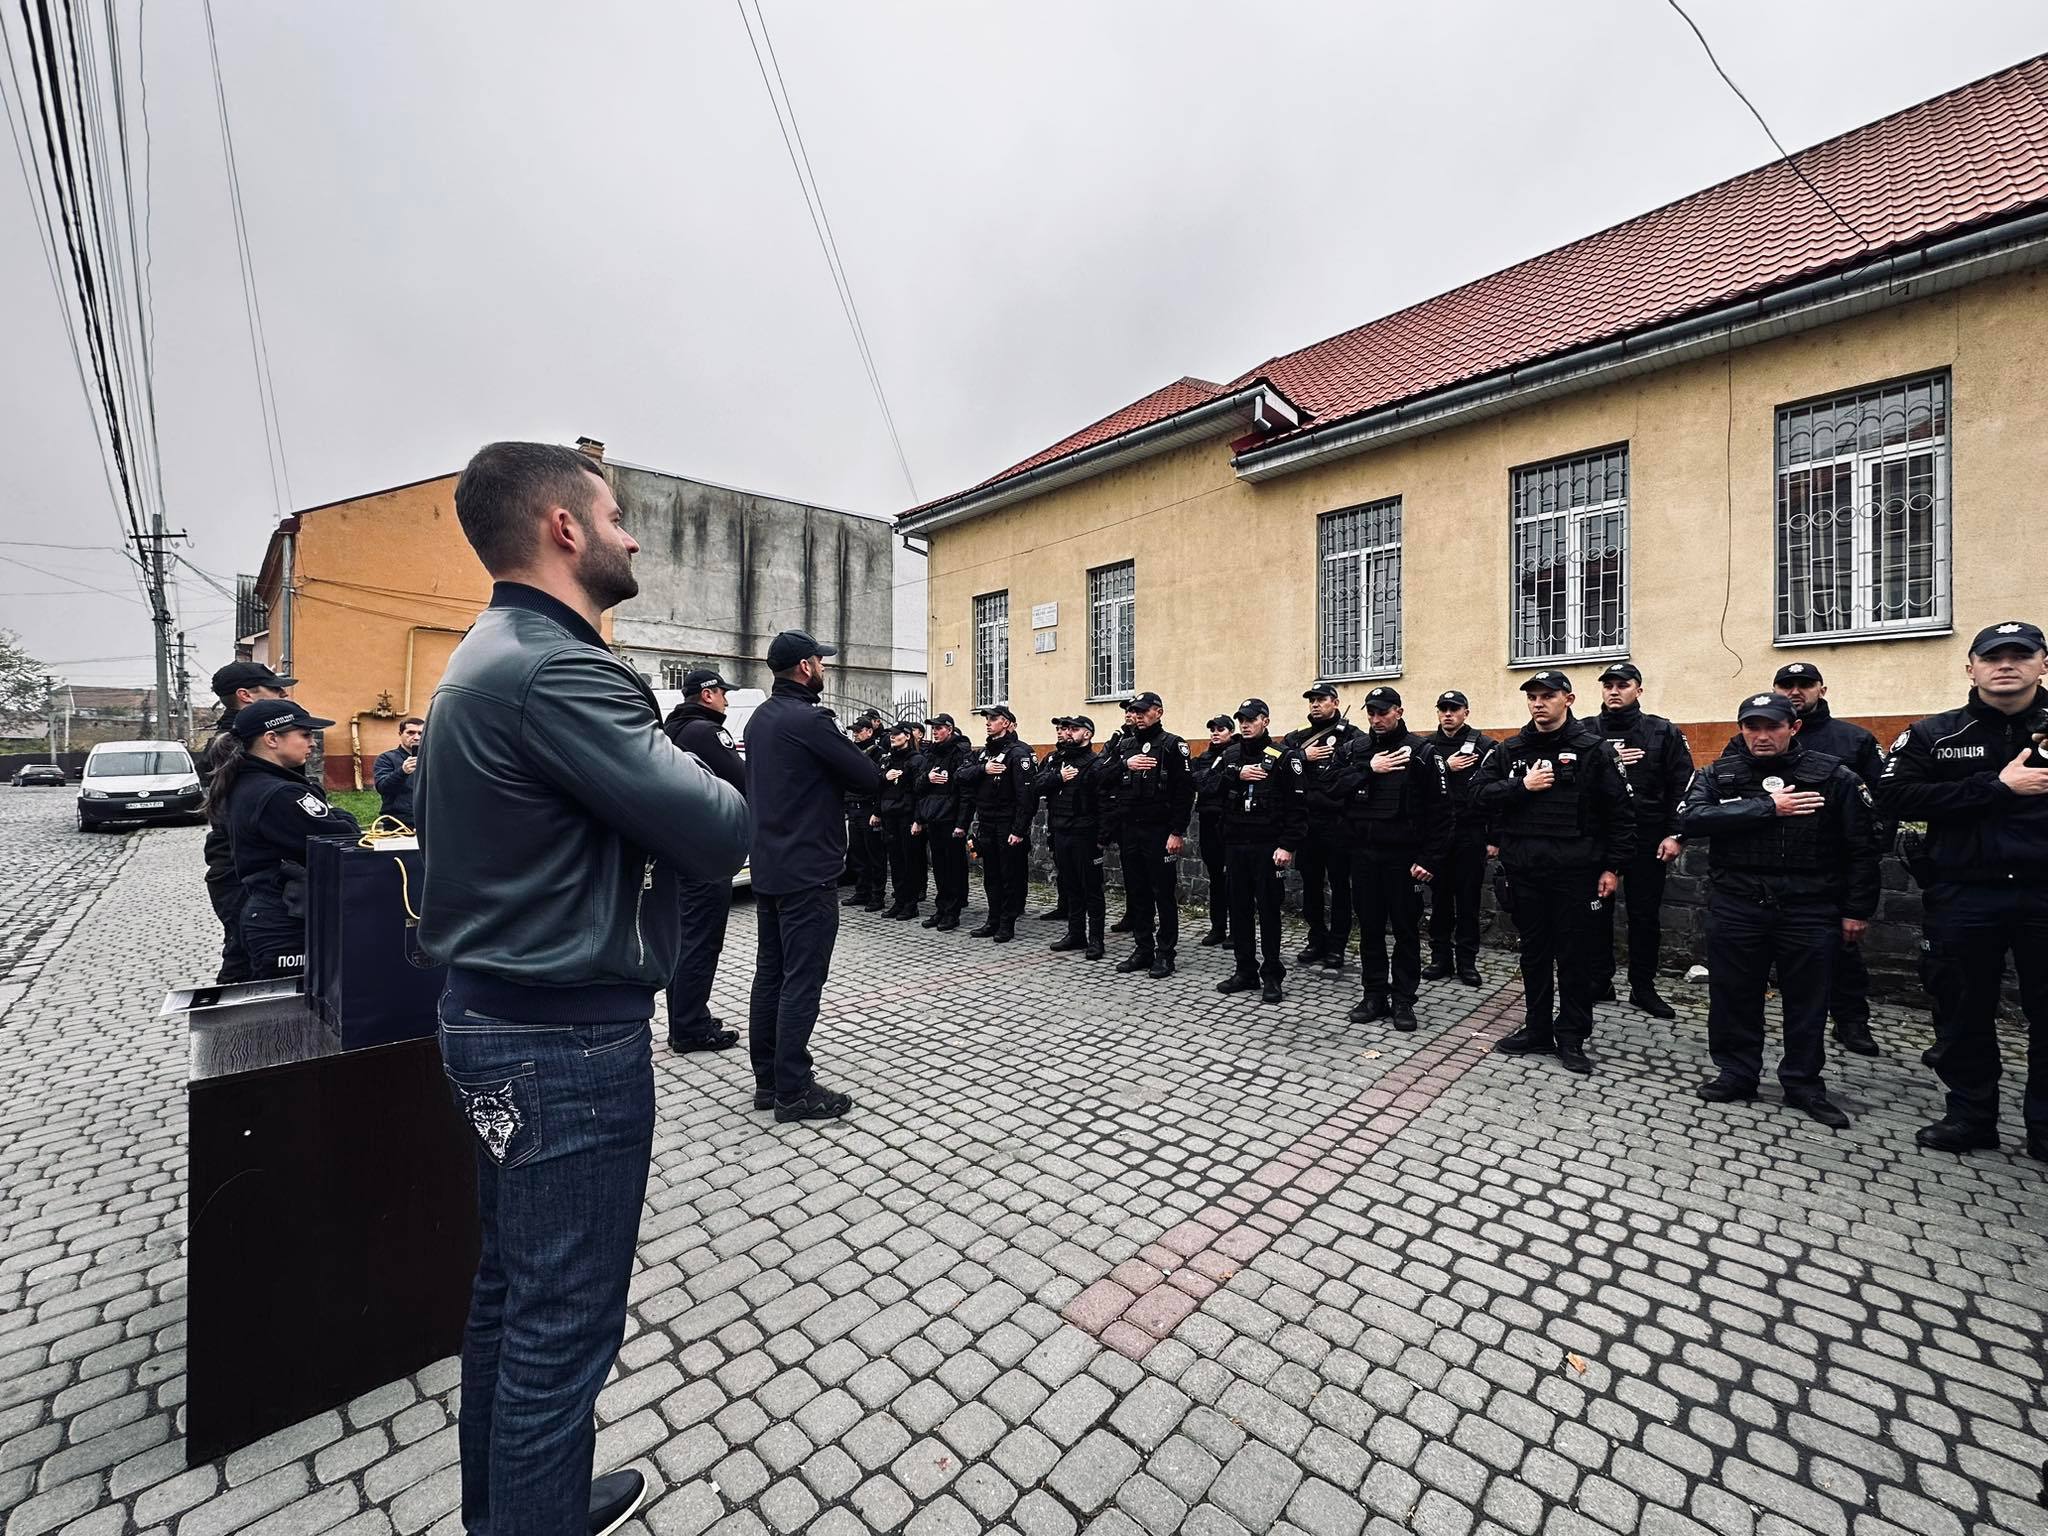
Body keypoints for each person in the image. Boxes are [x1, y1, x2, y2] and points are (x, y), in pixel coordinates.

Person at [413, 440, 750, 1536]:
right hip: (563, 1047)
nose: (631, 533)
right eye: (614, 515)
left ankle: (521, 1503)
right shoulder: (559, 667)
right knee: (563, 1326)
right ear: (563, 527)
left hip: (497, 1021)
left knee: (512, 1297)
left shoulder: (487, 650)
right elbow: (714, 829)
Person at [1876, 620, 2048, 1161]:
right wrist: (1996, 787)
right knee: (1960, 1009)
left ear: (2043, 664)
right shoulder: (1936, 734)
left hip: (2044, 893)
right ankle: (1971, 1117)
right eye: (1993, 656)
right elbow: (1894, 796)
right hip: (1965, 893)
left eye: (2021, 655)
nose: (2006, 665)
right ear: (1969, 667)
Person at [1679, 693, 1877, 1128]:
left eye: (1772, 726)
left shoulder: (1833, 777)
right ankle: (1737, 1072)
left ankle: (1803, 1083)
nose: (1762, 736)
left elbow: (1862, 848)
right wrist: (1768, 808)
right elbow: (1690, 820)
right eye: (1752, 727)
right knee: (1733, 996)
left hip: (1808, 907)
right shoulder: (1719, 775)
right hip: (1738, 903)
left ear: (1794, 728)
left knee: (1807, 1002)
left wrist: (1856, 910)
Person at [744, 629, 883, 1121]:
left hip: (770, 865)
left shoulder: (761, 717)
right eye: (820, 661)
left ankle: (768, 1081)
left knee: (771, 975)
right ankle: (794, 1089)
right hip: (807, 869)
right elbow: (866, 776)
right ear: (805, 667)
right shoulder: (809, 719)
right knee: (802, 979)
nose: (825, 668)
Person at [1474, 671, 1635, 1075]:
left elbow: (1620, 814)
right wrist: (1521, 787)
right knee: (1534, 955)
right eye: (1532, 697)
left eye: (1548, 696)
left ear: (1569, 699)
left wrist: (1612, 868)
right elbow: (1477, 796)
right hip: (1526, 872)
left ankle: (1572, 1037)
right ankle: (1538, 1029)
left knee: (1575, 957)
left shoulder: (1594, 750)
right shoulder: (1510, 750)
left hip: (1576, 874)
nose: (1538, 703)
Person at [1767, 661, 1886, 1057]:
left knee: (1844, 952)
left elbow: (1883, 803)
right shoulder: (1759, 738)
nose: (1795, 692)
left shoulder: (1853, 740)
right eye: (1787, 685)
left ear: (1822, 689)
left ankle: (1852, 1022)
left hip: (1833, 866)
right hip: (1774, 869)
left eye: (1804, 685)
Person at [207, 698, 362, 978]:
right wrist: (339, 814)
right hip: (285, 917)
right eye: (304, 734)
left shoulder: (249, 781)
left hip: (273, 911)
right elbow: (347, 837)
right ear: (271, 739)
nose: (312, 743)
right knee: (294, 1013)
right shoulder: (279, 793)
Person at [1333, 687, 1453, 1030]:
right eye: (1370, 713)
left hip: (1405, 859)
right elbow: (1329, 789)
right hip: (1365, 855)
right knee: (1369, 929)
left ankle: (1403, 1000)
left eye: (1382, 712)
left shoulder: (1422, 752)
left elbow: (1442, 813)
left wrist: (1430, 859)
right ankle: (1373, 995)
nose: (1375, 719)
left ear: (1398, 711)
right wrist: (1368, 769)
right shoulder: (1355, 750)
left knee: (1405, 931)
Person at [1593, 663, 1693, 1018]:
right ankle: (1599, 980)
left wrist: (1676, 833)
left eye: (1623, 685)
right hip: (1598, 838)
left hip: (1647, 837)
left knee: (1644, 916)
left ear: (1639, 689)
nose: (1614, 691)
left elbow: (1683, 784)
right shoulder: (1585, 731)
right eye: (1608, 685)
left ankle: (1643, 987)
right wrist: (1609, 758)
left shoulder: (1661, 731)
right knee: (1595, 913)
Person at [661, 668, 749, 1053]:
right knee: (702, 940)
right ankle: (690, 1028)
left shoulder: (673, 729)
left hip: (679, 845)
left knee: (686, 939)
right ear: (708, 694)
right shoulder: (706, 732)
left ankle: (687, 1015)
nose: (727, 700)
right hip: (705, 848)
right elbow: (741, 778)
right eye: (724, 693)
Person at [198, 660, 296, 984]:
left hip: (252, 863)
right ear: (246, 695)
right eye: (275, 689)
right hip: (239, 868)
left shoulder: (253, 738)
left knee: (249, 950)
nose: (284, 693)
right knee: (244, 954)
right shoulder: (232, 744)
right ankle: (235, 1029)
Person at [1210, 699, 1303, 1004]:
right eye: (1241, 720)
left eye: (1251, 719)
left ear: (1265, 720)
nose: (1245, 725)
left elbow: (1298, 806)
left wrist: (1287, 845)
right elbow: (1206, 785)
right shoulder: (1230, 754)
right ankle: (1245, 970)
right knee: (1238, 910)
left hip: (1267, 847)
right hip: (1236, 845)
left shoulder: (1283, 756)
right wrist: (1236, 775)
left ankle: (1272, 973)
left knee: (1268, 911)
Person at [1100, 690, 1194, 977]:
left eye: (1143, 711)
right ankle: (1143, 948)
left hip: (1159, 832)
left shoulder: (1172, 746)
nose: (1138, 716)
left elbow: (1185, 793)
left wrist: (1177, 831)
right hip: (1130, 831)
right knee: (1137, 892)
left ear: (1158, 712)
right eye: (1134, 711)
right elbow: (1099, 779)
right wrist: (1123, 765)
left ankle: (1165, 953)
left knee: (1162, 894)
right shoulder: (1125, 746)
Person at [1285, 684, 1362, 970]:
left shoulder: (1354, 737)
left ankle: (1338, 944)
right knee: (1311, 887)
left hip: (1340, 826)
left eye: (1321, 700)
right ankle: (1316, 938)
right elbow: (1274, 757)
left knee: (1341, 888)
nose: (1315, 705)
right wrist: (1302, 757)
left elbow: (1358, 775)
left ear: (1336, 702)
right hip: (1308, 826)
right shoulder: (1297, 738)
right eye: (1312, 701)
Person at [1423, 690, 1493, 985]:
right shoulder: (1426, 747)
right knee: (1439, 902)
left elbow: (1494, 793)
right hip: (1438, 837)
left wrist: (1494, 838)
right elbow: (1416, 790)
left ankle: (1467, 962)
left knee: (1468, 902)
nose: (1448, 714)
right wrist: (1444, 768)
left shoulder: (1485, 745)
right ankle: (1440, 958)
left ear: (1466, 712)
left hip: (1470, 834)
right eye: (1443, 709)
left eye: (1454, 709)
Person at [959, 705, 1036, 941]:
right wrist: (984, 769)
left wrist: (1019, 830)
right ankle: (993, 919)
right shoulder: (984, 753)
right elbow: (960, 776)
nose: (988, 722)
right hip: (986, 821)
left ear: (1006, 723)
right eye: (987, 719)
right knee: (991, 874)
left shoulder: (1019, 753)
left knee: (1009, 875)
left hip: (1007, 822)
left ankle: (1007, 923)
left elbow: (1027, 797)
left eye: (994, 718)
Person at [1038, 715, 1110, 958]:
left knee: (1091, 888)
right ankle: (1075, 933)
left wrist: (1102, 837)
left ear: (1087, 734)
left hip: (1085, 834)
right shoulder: (1057, 759)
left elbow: (1104, 803)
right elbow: (1036, 785)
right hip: (1061, 830)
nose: (1067, 732)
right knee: (1070, 886)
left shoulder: (1096, 763)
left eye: (1074, 729)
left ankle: (1096, 939)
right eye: (1066, 728)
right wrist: (1058, 777)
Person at [913, 714, 974, 931]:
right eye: (933, 728)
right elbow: (918, 787)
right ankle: (941, 908)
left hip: (951, 819)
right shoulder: (930, 753)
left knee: (954, 868)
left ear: (949, 729)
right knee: (938, 867)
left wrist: (962, 824)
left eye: (939, 728)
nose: (935, 732)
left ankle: (952, 912)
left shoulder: (961, 753)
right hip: (933, 818)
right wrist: (927, 779)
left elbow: (966, 793)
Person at [1194, 714, 1239, 947]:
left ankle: (1236, 930)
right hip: (1208, 821)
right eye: (1212, 729)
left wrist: (1214, 780)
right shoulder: (1204, 757)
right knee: (1215, 878)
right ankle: (1218, 927)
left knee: (1234, 879)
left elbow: (1230, 783)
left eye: (1220, 729)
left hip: (1230, 821)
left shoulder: (1238, 754)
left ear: (1231, 732)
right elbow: (1197, 781)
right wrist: (1217, 779)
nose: (1215, 732)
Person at [875, 721, 926, 919]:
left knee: (909, 862)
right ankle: (900, 901)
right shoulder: (887, 760)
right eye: (891, 734)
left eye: (897, 734)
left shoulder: (916, 760)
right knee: (895, 861)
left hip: (907, 816)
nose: (892, 737)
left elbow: (920, 792)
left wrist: (918, 819)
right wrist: (884, 777)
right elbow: (877, 787)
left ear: (907, 736)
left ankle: (910, 904)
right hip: (890, 816)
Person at [842, 713, 888, 911]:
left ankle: (877, 896)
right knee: (858, 854)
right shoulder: (851, 751)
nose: (855, 735)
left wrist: (877, 811)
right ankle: (862, 892)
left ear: (869, 731)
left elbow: (880, 785)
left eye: (858, 731)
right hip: (853, 808)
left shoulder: (878, 753)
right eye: (853, 732)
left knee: (874, 855)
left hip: (869, 808)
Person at [373, 716, 426, 825]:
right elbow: (383, 787)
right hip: (398, 821)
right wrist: (402, 772)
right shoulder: (386, 758)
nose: (416, 737)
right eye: (410, 733)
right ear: (400, 734)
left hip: (427, 819)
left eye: (420, 733)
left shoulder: (430, 759)